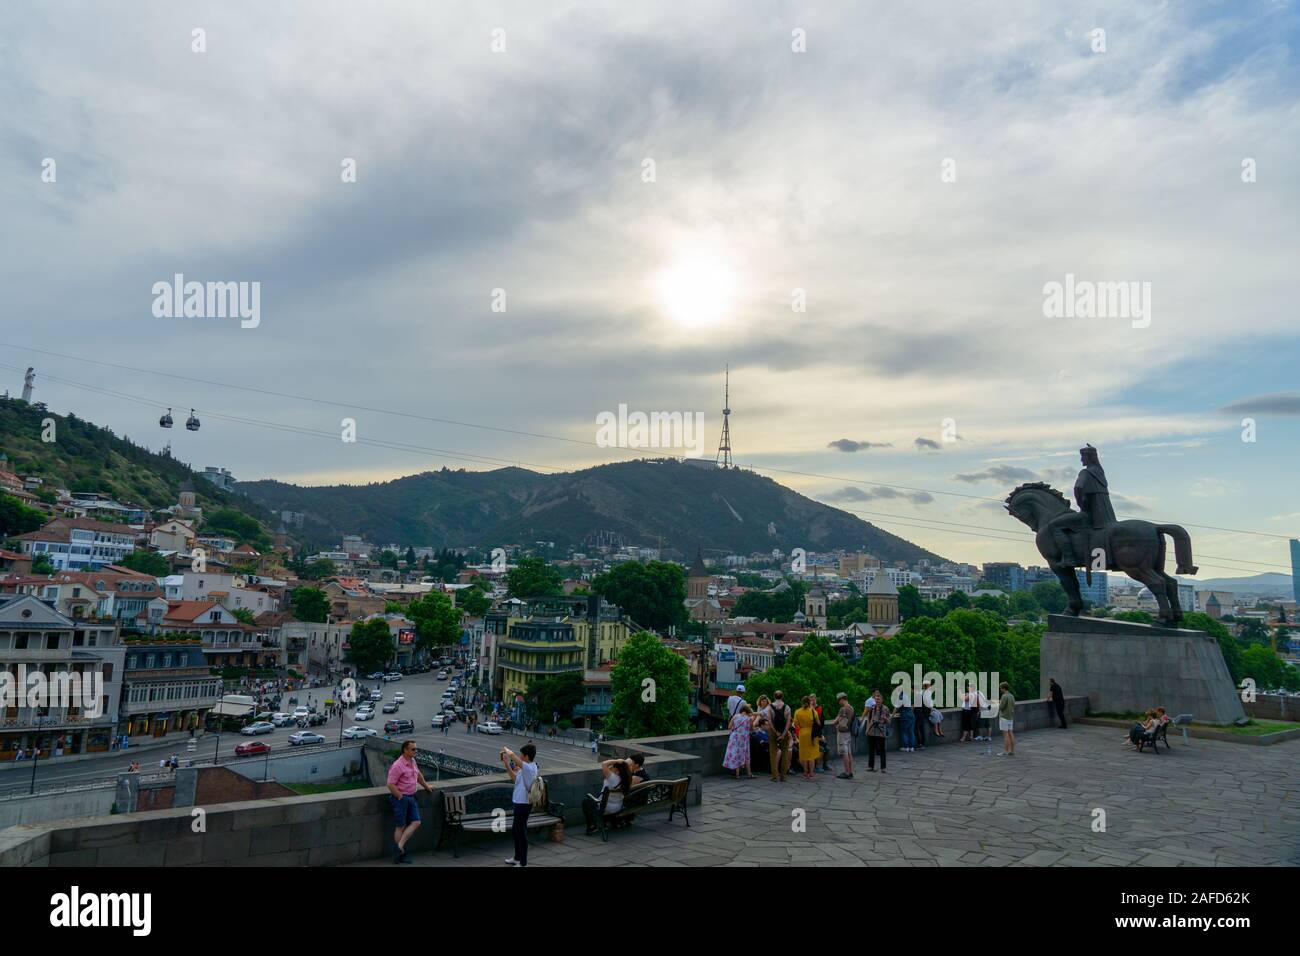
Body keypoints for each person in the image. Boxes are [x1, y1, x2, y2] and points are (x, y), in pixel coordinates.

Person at [386, 739, 435, 863]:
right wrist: (400, 797)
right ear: (405, 750)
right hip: (401, 798)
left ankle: (399, 847)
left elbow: (418, 775)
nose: (415, 751)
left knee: (416, 822)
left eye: (416, 749)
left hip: (412, 797)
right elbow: (390, 784)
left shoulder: (412, 761)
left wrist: (426, 787)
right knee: (400, 826)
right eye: (413, 749)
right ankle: (399, 856)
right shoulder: (398, 765)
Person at [500, 743, 538, 866]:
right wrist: (506, 764)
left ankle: (523, 862)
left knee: (521, 832)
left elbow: (512, 755)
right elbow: (515, 779)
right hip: (518, 802)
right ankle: (517, 858)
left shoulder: (530, 768)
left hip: (524, 804)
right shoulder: (524, 769)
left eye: (521, 755)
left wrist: (506, 750)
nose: (520, 757)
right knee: (516, 831)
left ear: (526, 756)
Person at [582, 757, 635, 834]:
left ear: (617, 769)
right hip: (618, 807)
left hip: (606, 808)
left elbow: (604, 764)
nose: (611, 768)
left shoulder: (612, 778)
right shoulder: (627, 779)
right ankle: (604, 823)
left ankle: (592, 826)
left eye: (613, 767)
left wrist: (617, 761)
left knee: (586, 801)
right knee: (603, 799)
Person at [766, 690, 793, 782]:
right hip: (783, 732)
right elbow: (788, 722)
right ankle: (783, 776)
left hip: (773, 732)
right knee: (785, 753)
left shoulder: (770, 707)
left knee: (773, 753)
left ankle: (774, 776)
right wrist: (784, 733)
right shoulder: (787, 707)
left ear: (774, 696)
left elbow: (769, 721)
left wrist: (775, 732)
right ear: (782, 696)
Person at [723, 702, 754, 779]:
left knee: (736, 754)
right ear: (747, 711)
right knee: (746, 756)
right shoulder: (748, 719)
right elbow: (751, 729)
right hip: (744, 740)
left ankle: (737, 774)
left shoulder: (735, 716)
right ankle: (749, 774)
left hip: (734, 739)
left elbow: (729, 726)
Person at [864, 690, 891, 772]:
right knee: (871, 749)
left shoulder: (886, 709)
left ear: (882, 700)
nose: (877, 701)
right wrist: (867, 730)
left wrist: (886, 719)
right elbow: (869, 719)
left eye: (878, 699)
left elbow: (889, 721)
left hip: (881, 731)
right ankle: (870, 766)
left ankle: (883, 768)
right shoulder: (872, 708)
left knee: (882, 750)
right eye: (876, 700)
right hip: (872, 731)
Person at [794, 696, 819, 780]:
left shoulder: (797, 712)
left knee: (804, 754)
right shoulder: (813, 711)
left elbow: (796, 724)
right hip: (812, 734)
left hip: (802, 733)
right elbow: (818, 722)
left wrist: (802, 726)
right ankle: (811, 773)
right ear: (809, 702)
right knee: (811, 755)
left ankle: (805, 772)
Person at [833, 692, 856, 778]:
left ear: (842, 699)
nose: (839, 702)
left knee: (844, 753)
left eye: (839, 700)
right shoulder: (851, 708)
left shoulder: (843, 709)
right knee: (849, 753)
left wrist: (836, 723)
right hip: (849, 733)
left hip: (842, 733)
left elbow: (841, 723)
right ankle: (850, 772)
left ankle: (846, 772)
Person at [809, 694, 829, 773]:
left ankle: (824, 764)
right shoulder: (808, 709)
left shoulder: (819, 708)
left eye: (814, 699)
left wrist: (821, 735)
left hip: (818, 732)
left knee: (827, 747)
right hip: (811, 733)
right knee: (822, 749)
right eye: (811, 700)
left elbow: (820, 722)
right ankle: (817, 766)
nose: (813, 701)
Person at [997, 682, 1016, 756]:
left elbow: (1001, 707)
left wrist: (999, 703)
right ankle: (1012, 751)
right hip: (1010, 717)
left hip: (1004, 717)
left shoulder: (1004, 696)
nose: (1000, 690)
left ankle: (1005, 751)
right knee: (1011, 733)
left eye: (1001, 688)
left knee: (1005, 735)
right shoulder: (1011, 696)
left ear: (1004, 688)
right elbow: (1013, 705)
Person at [915, 679, 933, 749]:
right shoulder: (926, 692)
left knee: (919, 728)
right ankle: (922, 743)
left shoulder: (923, 692)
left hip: (921, 712)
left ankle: (921, 743)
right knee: (921, 728)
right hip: (924, 711)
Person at [897, 686, 916, 752]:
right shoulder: (908, 696)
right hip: (911, 715)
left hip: (904, 715)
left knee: (904, 732)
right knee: (911, 732)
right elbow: (913, 706)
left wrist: (892, 715)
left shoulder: (901, 696)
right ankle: (912, 747)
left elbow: (896, 707)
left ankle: (906, 747)